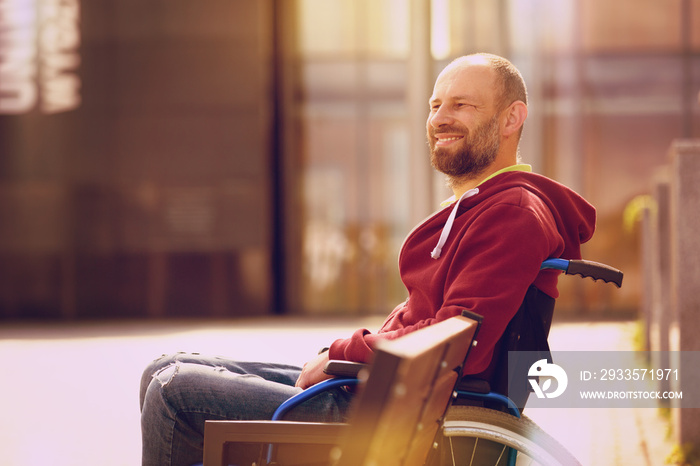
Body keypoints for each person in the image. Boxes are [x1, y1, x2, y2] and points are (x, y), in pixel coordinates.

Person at [139, 53, 595, 466]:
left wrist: (344, 351)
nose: (441, 118)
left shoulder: (512, 213)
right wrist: (348, 354)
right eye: (435, 106)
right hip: (388, 396)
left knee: (173, 391)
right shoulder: (488, 205)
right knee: (162, 368)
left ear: (512, 117)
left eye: (462, 105)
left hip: (403, 416)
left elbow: (461, 343)